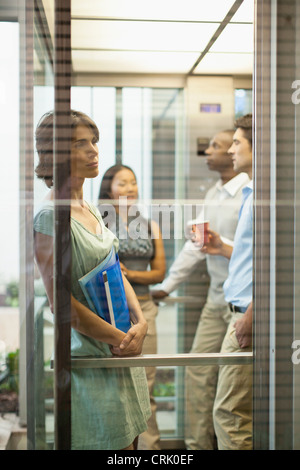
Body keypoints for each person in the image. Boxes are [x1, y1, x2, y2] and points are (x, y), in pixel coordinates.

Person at [33, 110, 151, 450]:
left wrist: (139, 323)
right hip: (93, 357)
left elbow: (113, 268)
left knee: (131, 444)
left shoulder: (90, 207)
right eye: (79, 143)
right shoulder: (49, 216)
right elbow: (61, 304)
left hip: (121, 349)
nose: (93, 151)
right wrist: (121, 339)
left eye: (94, 141)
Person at [152, 129, 249, 450]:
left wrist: (222, 247)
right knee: (198, 374)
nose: (207, 152)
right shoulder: (214, 194)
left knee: (231, 395)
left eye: (217, 146)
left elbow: (261, 256)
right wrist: (166, 287)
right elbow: (197, 246)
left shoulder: (253, 193)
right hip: (215, 301)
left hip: (245, 305)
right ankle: (197, 448)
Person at [98, 164, 166, 450]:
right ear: (109, 189)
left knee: (145, 383)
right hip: (108, 311)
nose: (130, 188)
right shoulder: (97, 224)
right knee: (111, 386)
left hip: (145, 309)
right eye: (122, 183)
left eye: (133, 182)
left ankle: (150, 449)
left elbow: (159, 273)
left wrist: (129, 275)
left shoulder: (150, 225)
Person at [201, 114, 253, 450]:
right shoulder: (253, 192)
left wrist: (251, 316)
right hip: (240, 310)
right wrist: (222, 248)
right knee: (234, 412)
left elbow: (279, 265)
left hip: (247, 314)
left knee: (230, 414)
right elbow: (253, 257)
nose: (232, 149)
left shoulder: (265, 196)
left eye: (237, 142)